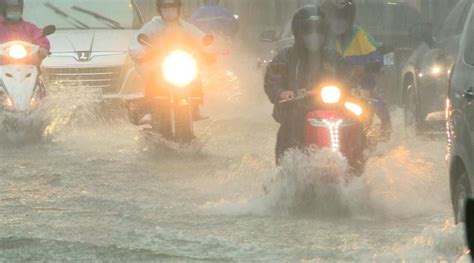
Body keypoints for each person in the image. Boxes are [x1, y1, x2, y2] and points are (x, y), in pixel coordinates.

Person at [264, 5, 350, 165]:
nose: (314, 35)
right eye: (309, 31)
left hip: (332, 109)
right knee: (288, 136)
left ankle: (358, 169)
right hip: (296, 110)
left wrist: (359, 88)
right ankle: (288, 176)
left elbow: (348, 77)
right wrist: (282, 92)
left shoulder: (333, 57)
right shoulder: (285, 57)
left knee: (357, 125)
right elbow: (273, 80)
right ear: (298, 32)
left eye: (318, 31)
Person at [128, 0, 211, 125]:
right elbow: (137, 42)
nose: (169, 10)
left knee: (195, 75)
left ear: (178, 8)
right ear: (160, 9)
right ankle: (150, 111)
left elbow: (200, 37)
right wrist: (143, 54)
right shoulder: (152, 26)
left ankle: (195, 108)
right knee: (153, 78)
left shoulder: (184, 26)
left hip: (180, 62)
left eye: (172, 6)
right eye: (165, 7)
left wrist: (206, 46)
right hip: (159, 65)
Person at [320, 0, 392, 135]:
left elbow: (375, 54)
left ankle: (386, 130)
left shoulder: (358, 34)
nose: (338, 24)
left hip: (359, 84)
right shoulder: (321, 36)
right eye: (335, 19)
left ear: (349, 19)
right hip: (329, 85)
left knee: (377, 103)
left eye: (342, 20)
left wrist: (374, 65)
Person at [0, 0, 50, 65]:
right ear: (4, 11)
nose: (14, 11)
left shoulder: (30, 27)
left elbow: (40, 39)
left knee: (41, 73)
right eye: (11, 9)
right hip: (2, 66)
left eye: (16, 9)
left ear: (21, 10)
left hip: (28, 66)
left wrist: (43, 48)